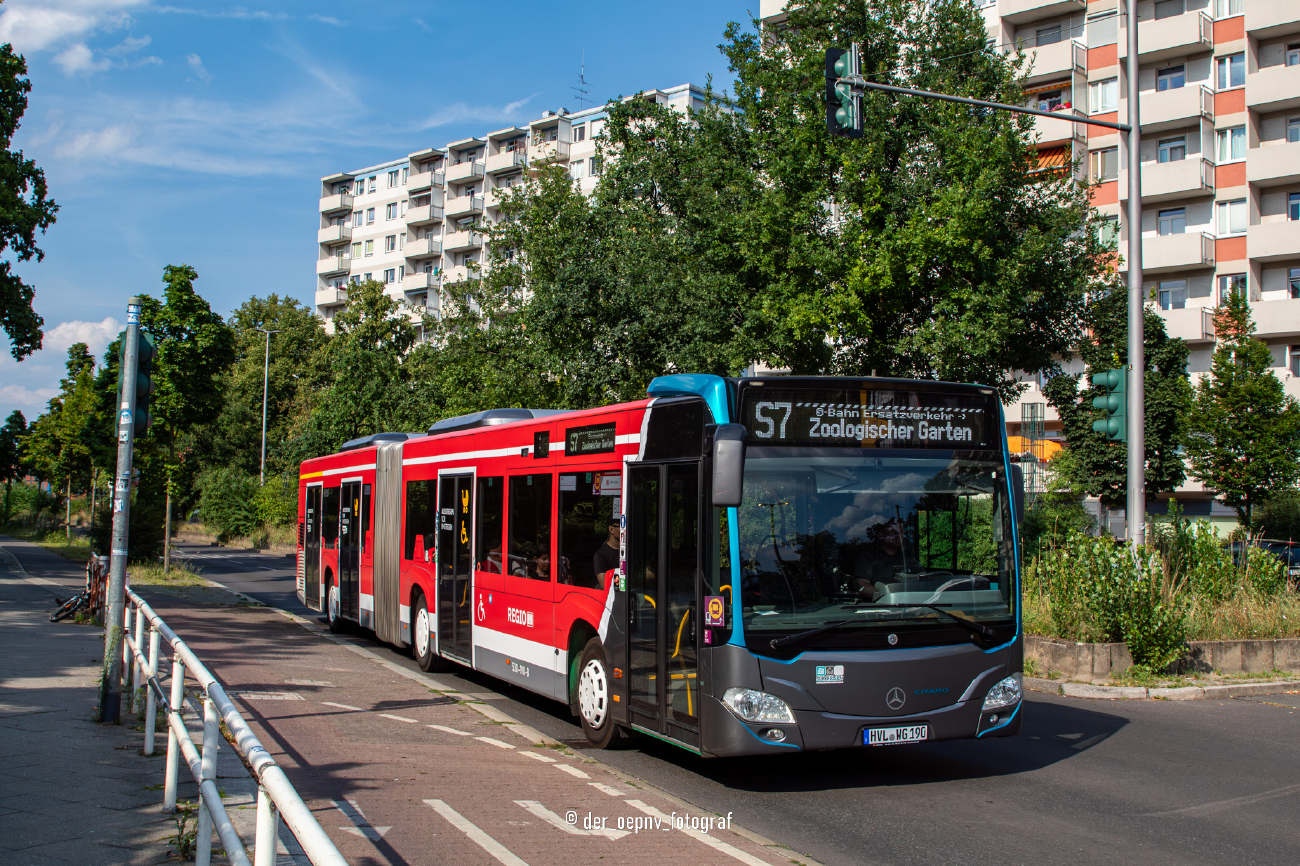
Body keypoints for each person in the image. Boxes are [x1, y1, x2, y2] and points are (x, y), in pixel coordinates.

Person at [852, 518, 907, 599]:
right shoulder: (868, 556)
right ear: (883, 534)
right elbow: (862, 585)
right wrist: (885, 597)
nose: (898, 535)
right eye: (893, 532)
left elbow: (923, 578)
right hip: (877, 607)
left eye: (901, 532)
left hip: (910, 604)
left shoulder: (907, 557)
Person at [592, 519, 620, 589]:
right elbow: (605, 586)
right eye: (622, 526)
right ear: (611, 529)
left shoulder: (629, 551)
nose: (625, 530)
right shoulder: (600, 555)